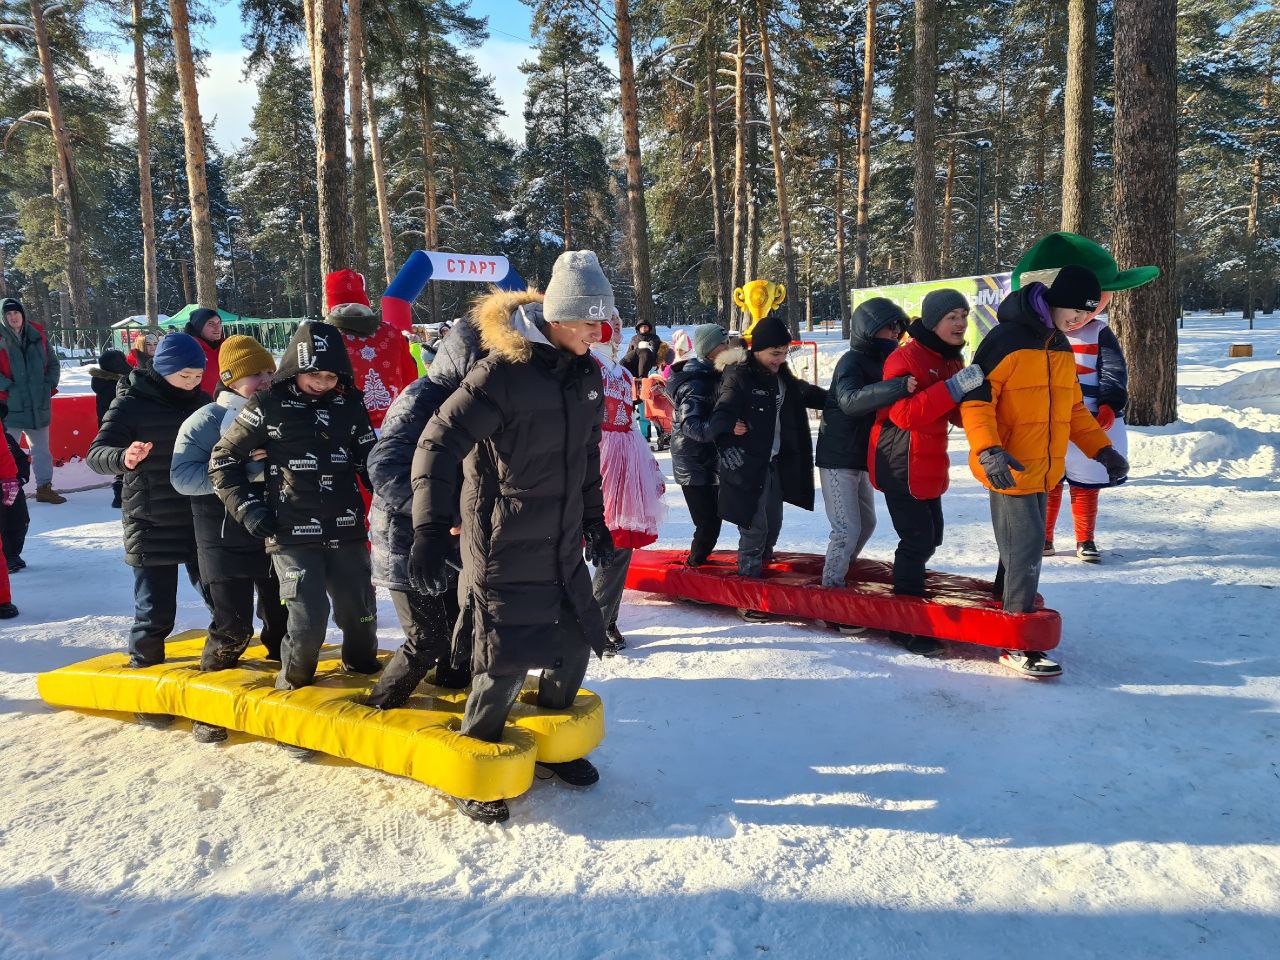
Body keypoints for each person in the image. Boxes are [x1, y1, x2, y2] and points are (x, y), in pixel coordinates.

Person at [409, 250, 612, 824]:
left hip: (562, 536)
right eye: (589, 320)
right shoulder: (501, 373)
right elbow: (437, 442)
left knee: (573, 643)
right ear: (557, 317)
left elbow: (586, 458)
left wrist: (594, 520)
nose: (599, 332)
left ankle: (554, 741)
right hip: (502, 538)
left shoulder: (586, 375)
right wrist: (428, 526)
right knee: (504, 658)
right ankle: (476, 759)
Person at [210, 321, 382, 756]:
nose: (323, 384)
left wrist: (397, 494)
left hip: (345, 527)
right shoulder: (266, 405)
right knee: (306, 622)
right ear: (295, 369)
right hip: (290, 533)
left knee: (359, 613)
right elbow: (223, 460)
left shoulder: (349, 405)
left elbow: (372, 462)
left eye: (331, 376)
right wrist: (249, 509)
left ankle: (363, 676)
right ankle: (293, 690)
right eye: (314, 375)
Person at [961, 265, 1129, 678]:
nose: (1079, 320)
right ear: (1054, 301)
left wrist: (1102, 450)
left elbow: (1073, 409)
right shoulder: (1006, 339)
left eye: (1087, 314)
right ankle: (1017, 642)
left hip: (1045, 468)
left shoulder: (1059, 346)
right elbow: (976, 399)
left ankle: (1007, 607)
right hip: (1008, 466)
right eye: (1075, 310)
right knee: (1027, 545)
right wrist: (989, 450)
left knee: (1019, 546)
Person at [87, 333, 213, 727]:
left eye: (199, 374)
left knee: (220, 598)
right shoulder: (129, 403)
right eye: (186, 375)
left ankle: (220, 677)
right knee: (154, 610)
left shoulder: (205, 405)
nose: (193, 381)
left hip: (198, 516)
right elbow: (97, 454)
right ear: (164, 370)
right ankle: (145, 684)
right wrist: (124, 457)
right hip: (151, 517)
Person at [171, 335, 288, 744]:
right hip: (221, 537)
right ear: (229, 379)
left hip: (273, 534)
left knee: (284, 621)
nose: (266, 380)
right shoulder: (204, 420)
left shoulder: (278, 412)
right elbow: (182, 478)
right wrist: (244, 471)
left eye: (270, 372)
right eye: (256, 374)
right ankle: (208, 702)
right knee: (232, 626)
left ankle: (291, 698)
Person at [868, 291, 984, 656]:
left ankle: (909, 592)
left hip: (929, 463)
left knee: (932, 538)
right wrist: (951, 389)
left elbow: (952, 414)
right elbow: (904, 415)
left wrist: (982, 402)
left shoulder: (949, 359)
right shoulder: (905, 357)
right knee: (917, 540)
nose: (961, 322)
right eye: (952, 315)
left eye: (963, 315)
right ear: (933, 320)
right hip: (900, 462)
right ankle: (906, 624)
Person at [708, 314, 827, 617]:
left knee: (773, 524)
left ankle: (762, 573)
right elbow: (723, 410)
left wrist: (843, 399)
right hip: (745, 465)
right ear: (757, 350)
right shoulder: (739, 375)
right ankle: (748, 592)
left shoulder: (782, 376)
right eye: (775, 353)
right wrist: (724, 434)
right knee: (754, 526)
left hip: (772, 462)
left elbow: (806, 393)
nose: (779, 359)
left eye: (784, 352)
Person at [814, 297, 912, 594]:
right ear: (870, 328)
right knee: (847, 529)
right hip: (837, 457)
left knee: (866, 524)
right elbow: (849, 400)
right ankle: (831, 591)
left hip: (861, 458)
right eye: (889, 325)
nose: (896, 331)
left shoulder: (887, 361)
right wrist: (897, 387)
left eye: (898, 326)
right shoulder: (852, 360)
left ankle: (842, 571)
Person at [590, 312, 665, 656]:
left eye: (619, 323)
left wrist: (647, 463)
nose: (616, 330)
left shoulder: (621, 372)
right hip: (590, 458)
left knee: (617, 543)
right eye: (609, 322)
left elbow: (629, 420)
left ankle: (601, 619)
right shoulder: (582, 365)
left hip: (623, 461)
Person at [1044, 302, 1130, 563]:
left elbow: (1113, 370)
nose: (1078, 317)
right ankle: (1044, 537)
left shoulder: (1099, 332)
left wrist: (1109, 402)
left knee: (1087, 484)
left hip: (1089, 420)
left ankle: (1085, 538)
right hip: (1051, 420)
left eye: (1085, 311)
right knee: (1049, 481)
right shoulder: (1043, 331)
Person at [668, 323, 738, 567]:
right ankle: (693, 568)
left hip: (708, 458)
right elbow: (691, 427)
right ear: (709, 350)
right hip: (693, 463)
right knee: (707, 524)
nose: (729, 347)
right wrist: (726, 426)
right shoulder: (696, 383)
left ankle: (697, 564)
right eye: (723, 343)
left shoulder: (716, 375)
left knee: (713, 521)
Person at [323, 269, 419, 430]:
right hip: (394, 426)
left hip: (344, 430)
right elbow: (410, 377)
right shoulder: (392, 332)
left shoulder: (323, 335)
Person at [0, 297, 64, 504]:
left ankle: (44, 489)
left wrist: (48, 385)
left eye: (16, 312)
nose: (13, 317)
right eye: (8, 314)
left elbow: (53, 363)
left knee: (42, 451)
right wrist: (8, 388)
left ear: (23, 313)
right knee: (7, 451)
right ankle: (8, 491)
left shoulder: (38, 335)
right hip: (10, 407)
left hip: (38, 404)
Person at [89, 348, 133, 509]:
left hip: (108, 425)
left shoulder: (100, 383)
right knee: (124, 458)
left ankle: (119, 492)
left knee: (120, 458)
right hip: (122, 423)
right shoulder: (117, 384)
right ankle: (120, 493)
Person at [1, 417, 29, 575]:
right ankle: (5, 556)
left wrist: (22, 478)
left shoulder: (7, 438)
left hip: (13, 487)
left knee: (21, 521)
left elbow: (22, 459)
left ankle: (13, 553)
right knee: (2, 525)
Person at [184, 307, 225, 397]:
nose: (217, 328)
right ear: (199, 327)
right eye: (211, 324)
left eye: (219, 323)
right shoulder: (188, 349)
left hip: (228, 404)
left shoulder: (227, 346)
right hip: (198, 405)